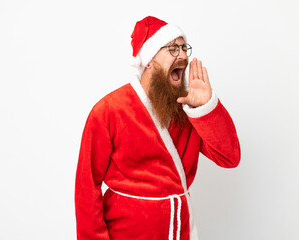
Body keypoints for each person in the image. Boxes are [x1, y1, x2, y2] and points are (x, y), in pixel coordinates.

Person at [75, 16, 241, 240]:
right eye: (173, 48)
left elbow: (229, 157)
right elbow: (87, 187)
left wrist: (206, 107)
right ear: (149, 59)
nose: (182, 55)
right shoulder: (109, 110)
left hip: (178, 230)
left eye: (184, 48)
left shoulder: (187, 109)